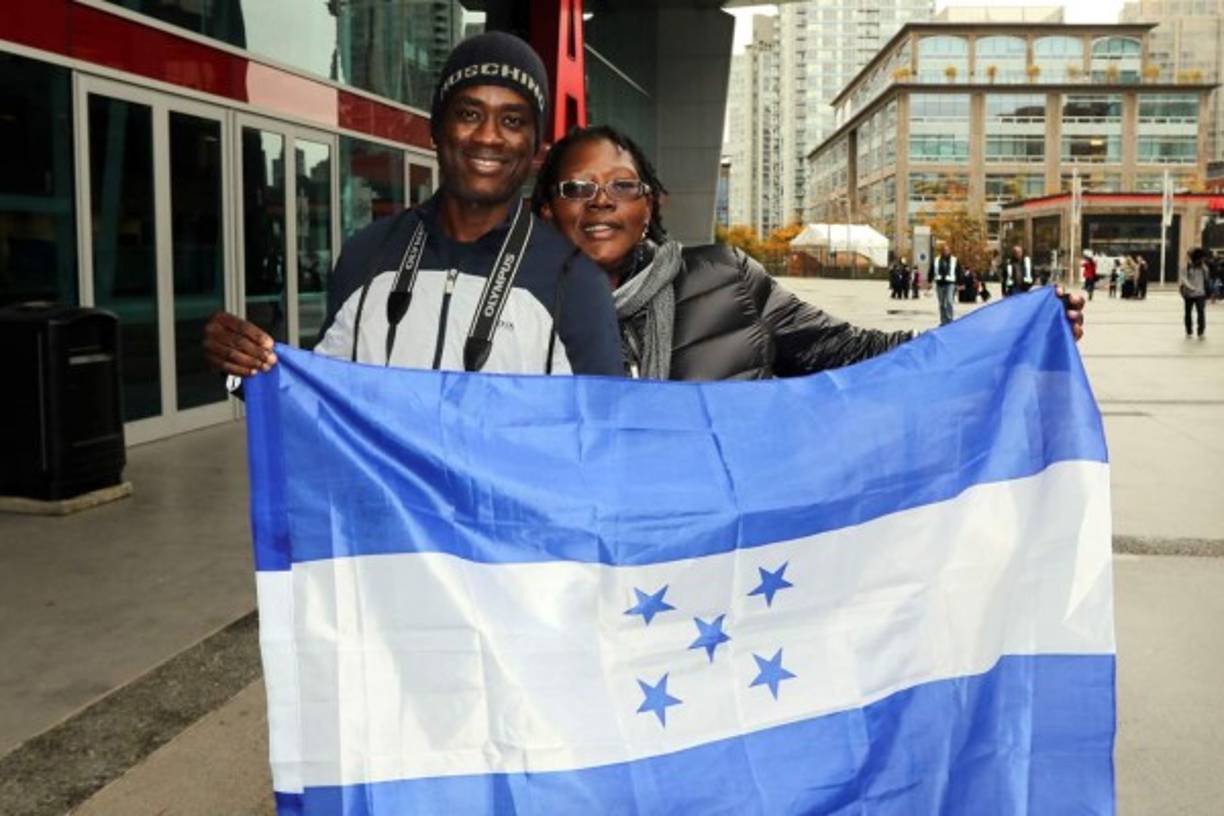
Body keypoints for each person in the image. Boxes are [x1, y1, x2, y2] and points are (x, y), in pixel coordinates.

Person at [203, 32, 622, 379]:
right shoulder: (368, 255)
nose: (488, 137)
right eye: (469, 113)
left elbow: (600, 440)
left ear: (535, 148)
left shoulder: (575, 283)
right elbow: (325, 406)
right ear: (435, 131)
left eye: (513, 120)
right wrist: (245, 369)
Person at [531, 124, 915, 380]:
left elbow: (854, 354)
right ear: (548, 210)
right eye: (577, 188)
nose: (601, 201)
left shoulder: (728, 280)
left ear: (647, 207)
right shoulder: (513, 309)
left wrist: (972, 343)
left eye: (623, 185)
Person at [1180, 248, 1210, 337]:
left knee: (1201, 312)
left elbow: (1207, 278)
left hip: (1200, 294)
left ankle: (1201, 331)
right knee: (1188, 313)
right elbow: (1184, 279)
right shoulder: (1186, 267)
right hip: (1189, 294)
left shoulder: (1203, 268)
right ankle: (1189, 330)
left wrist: (1204, 267)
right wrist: (1191, 287)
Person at [930, 242, 960, 325]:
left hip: (950, 283)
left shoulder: (954, 260)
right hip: (939, 283)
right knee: (942, 303)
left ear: (949, 251)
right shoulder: (936, 260)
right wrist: (929, 281)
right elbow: (931, 271)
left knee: (949, 301)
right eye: (943, 250)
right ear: (941, 251)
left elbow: (958, 271)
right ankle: (943, 321)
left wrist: (959, 283)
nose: (945, 251)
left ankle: (950, 320)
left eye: (947, 250)